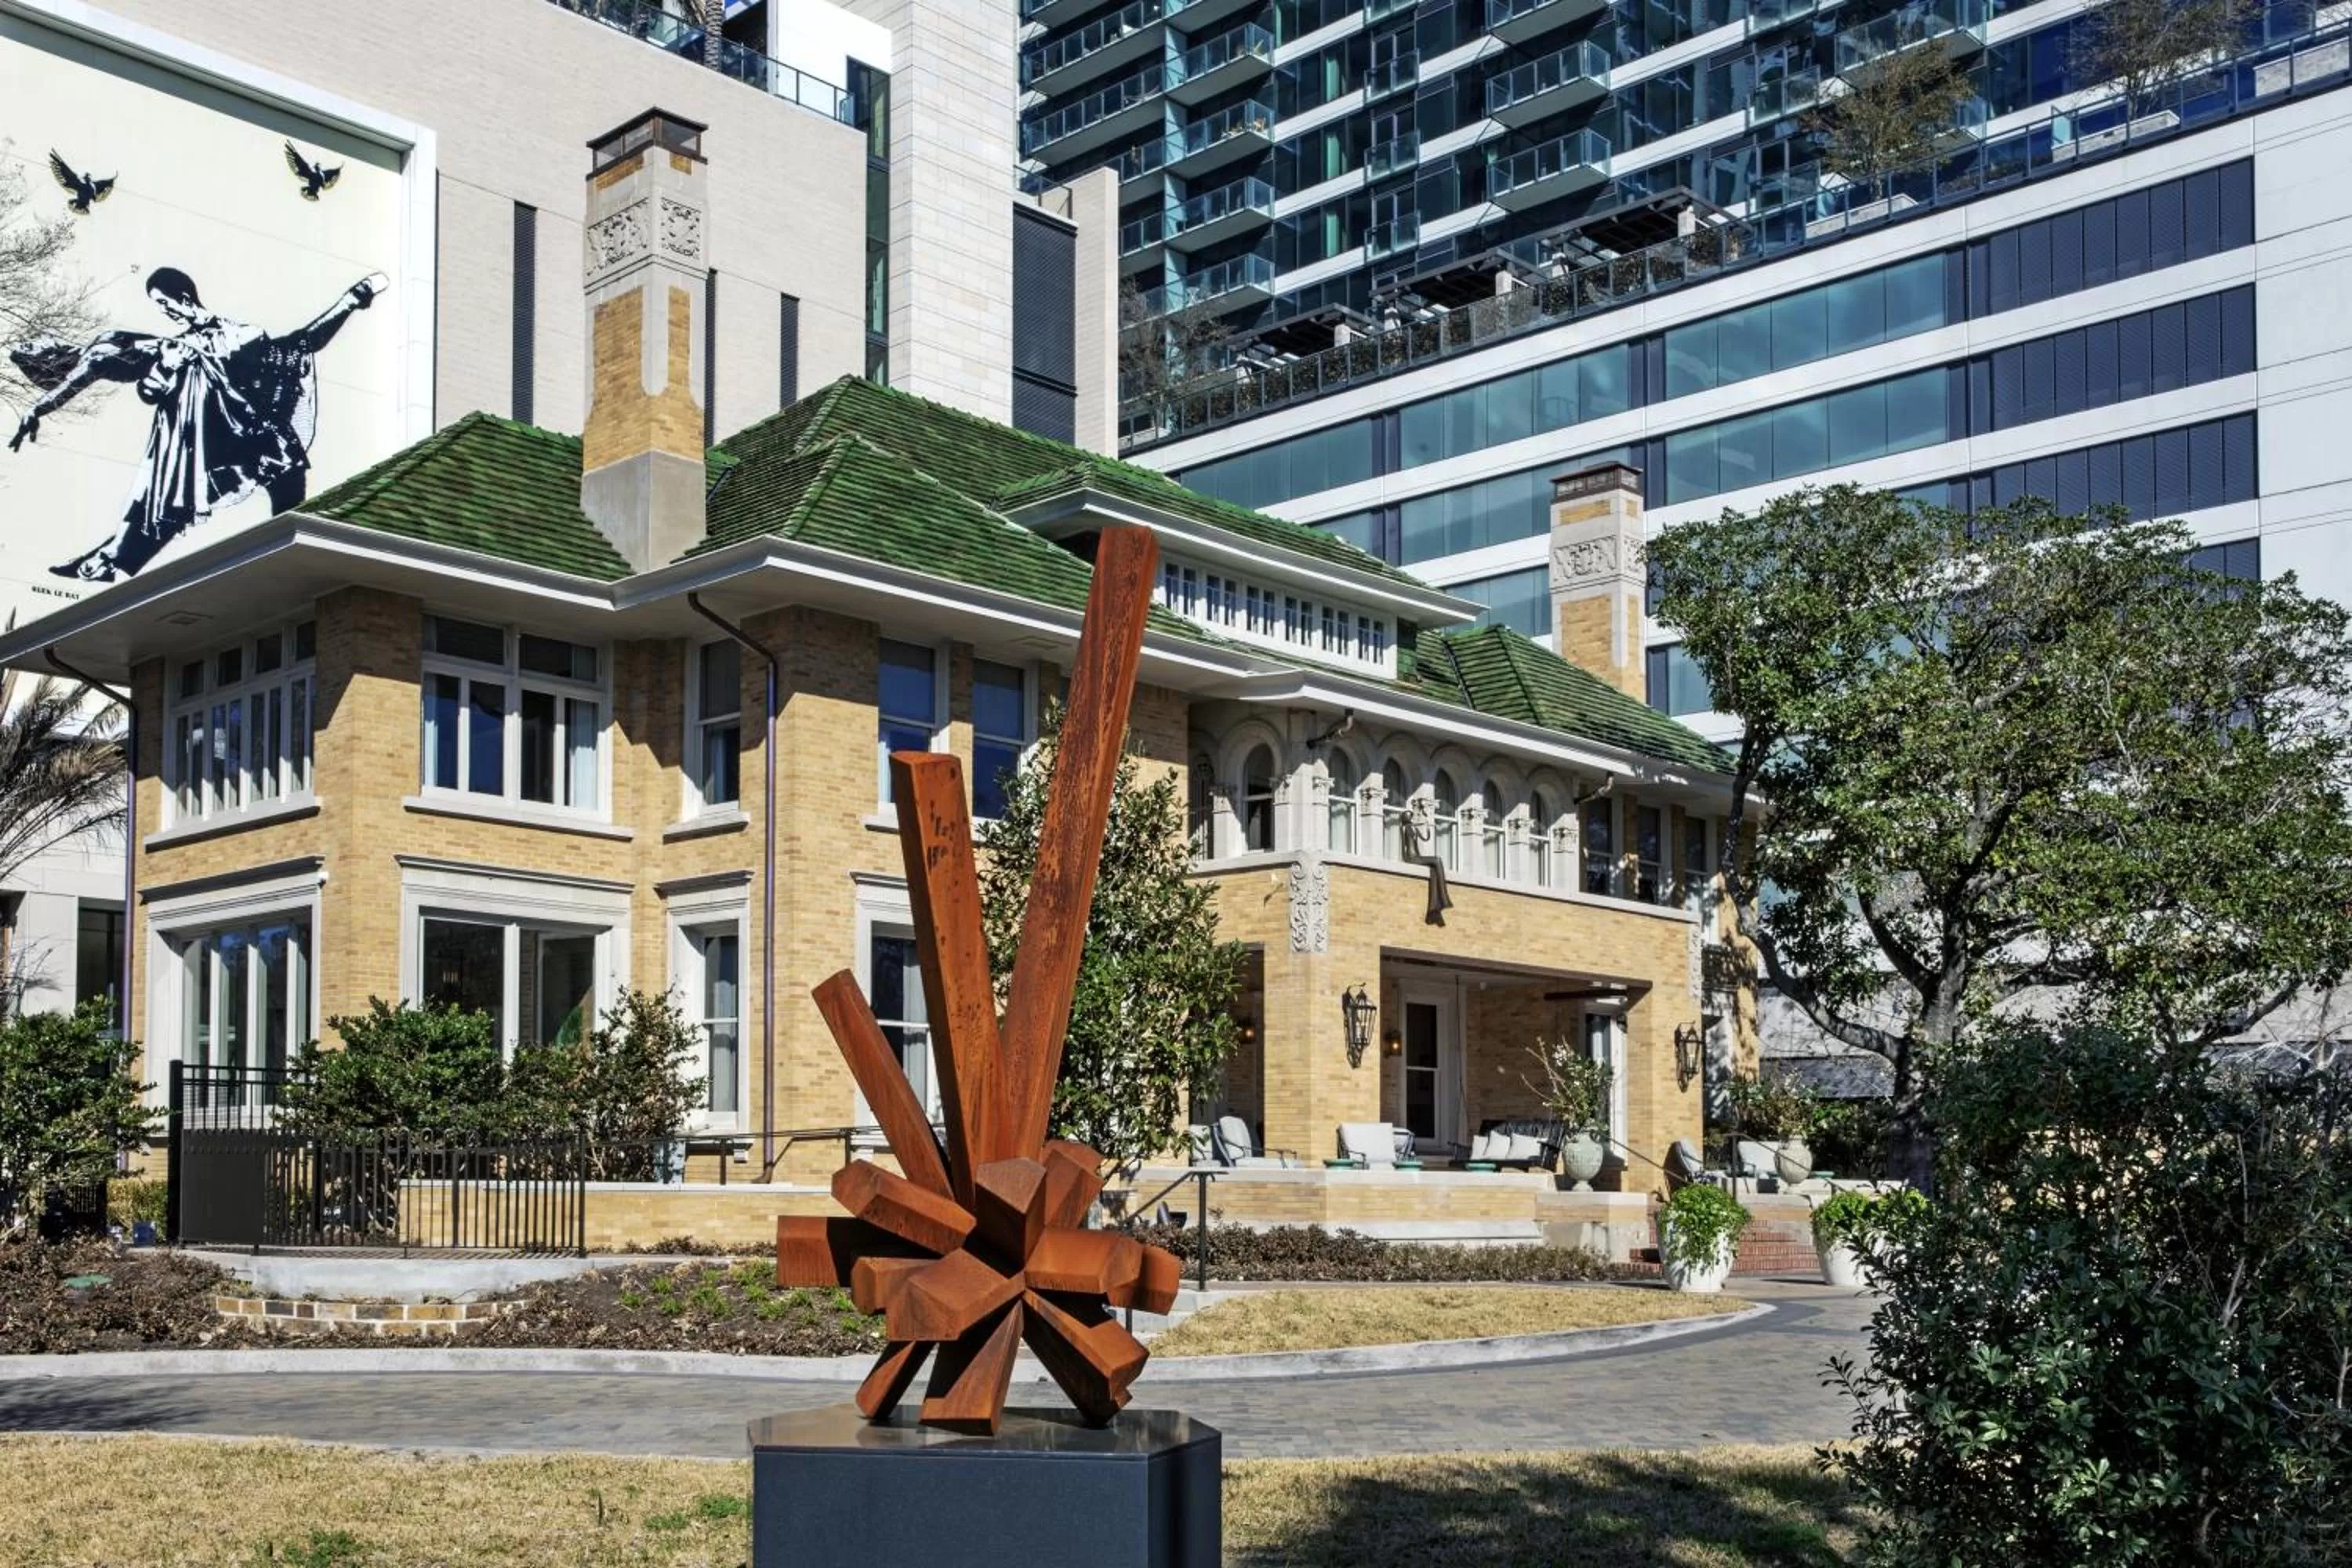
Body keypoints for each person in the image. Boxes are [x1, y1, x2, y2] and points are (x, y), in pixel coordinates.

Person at [8, 266, 387, 582]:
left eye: (164, 303)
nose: (165, 312)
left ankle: (294, 572)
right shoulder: (142, 350)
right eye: (160, 306)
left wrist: (349, 302)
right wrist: (39, 408)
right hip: (215, 445)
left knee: (287, 516)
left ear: (185, 298)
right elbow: (125, 383)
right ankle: (111, 561)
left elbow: (298, 345)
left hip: (259, 440)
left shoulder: (238, 335)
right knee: (164, 500)